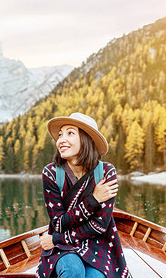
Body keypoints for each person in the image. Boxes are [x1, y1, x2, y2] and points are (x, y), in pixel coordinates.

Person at [36, 113, 130, 278]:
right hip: (63, 248)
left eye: (70, 133)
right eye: (60, 135)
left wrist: (56, 239)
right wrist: (93, 200)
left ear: (87, 139)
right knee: (73, 271)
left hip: (97, 242)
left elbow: (100, 225)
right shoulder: (51, 172)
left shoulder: (106, 172)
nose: (61, 140)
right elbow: (58, 223)